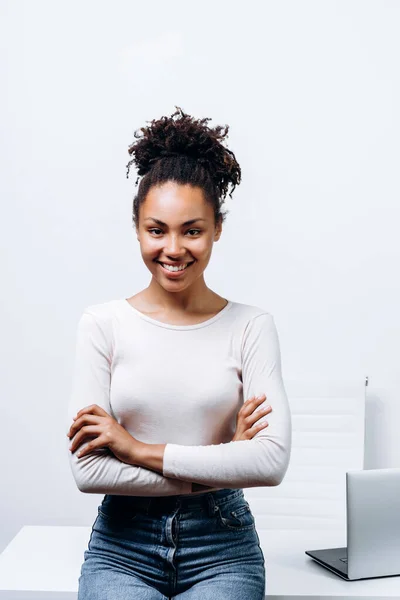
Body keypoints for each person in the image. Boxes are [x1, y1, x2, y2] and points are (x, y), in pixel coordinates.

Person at [66, 106, 292, 599]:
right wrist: (224, 460)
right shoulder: (102, 325)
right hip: (122, 545)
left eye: (192, 230)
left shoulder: (251, 327)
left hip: (223, 546)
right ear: (137, 228)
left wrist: (135, 449)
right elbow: (88, 471)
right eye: (156, 230)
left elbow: (270, 461)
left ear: (217, 229)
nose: (173, 248)